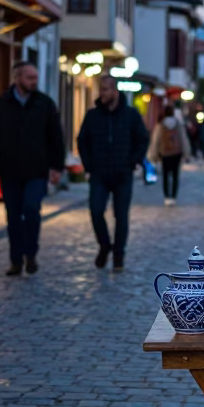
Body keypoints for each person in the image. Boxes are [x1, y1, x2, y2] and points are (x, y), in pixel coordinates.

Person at [0, 60, 65, 276]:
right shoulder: (1, 104)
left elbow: (56, 138)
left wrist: (57, 167)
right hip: (9, 169)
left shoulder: (45, 104)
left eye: (35, 77)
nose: (34, 81)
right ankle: (16, 260)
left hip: (37, 169)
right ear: (17, 78)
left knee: (31, 209)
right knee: (13, 215)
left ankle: (31, 253)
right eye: (30, 78)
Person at [77, 74, 149, 270]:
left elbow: (143, 139)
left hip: (122, 173)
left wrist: (133, 161)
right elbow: (82, 141)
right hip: (99, 173)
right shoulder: (92, 115)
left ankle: (118, 256)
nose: (102, 93)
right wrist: (88, 166)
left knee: (121, 216)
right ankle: (104, 246)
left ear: (115, 91)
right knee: (96, 210)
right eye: (101, 89)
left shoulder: (131, 115)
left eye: (106, 89)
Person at [148, 104, 190, 205]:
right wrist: (187, 153)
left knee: (165, 175)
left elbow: (155, 140)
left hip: (165, 153)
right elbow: (183, 139)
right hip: (176, 153)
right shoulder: (178, 124)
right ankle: (174, 196)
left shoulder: (161, 124)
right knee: (175, 175)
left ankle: (167, 197)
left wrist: (152, 154)